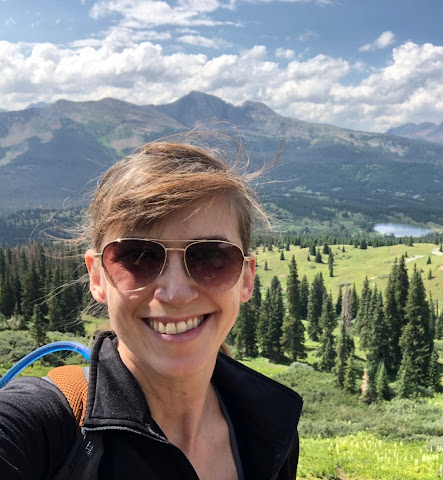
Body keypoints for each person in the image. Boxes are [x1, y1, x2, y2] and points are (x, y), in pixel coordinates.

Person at [0, 137, 303, 479]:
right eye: (138, 256)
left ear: (246, 278)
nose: (175, 294)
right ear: (97, 276)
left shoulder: (270, 429)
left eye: (211, 257)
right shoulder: (44, 426)